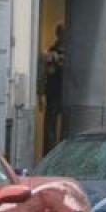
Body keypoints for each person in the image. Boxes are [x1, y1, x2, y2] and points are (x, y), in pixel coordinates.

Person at [41, 25, 65, 156]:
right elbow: (49, 71)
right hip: (54, 92)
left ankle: (60, 153)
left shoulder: (72, 50)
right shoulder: (52, 50)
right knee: (50, 126)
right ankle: (50, 154)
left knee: (62, 127)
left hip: (65, 92)